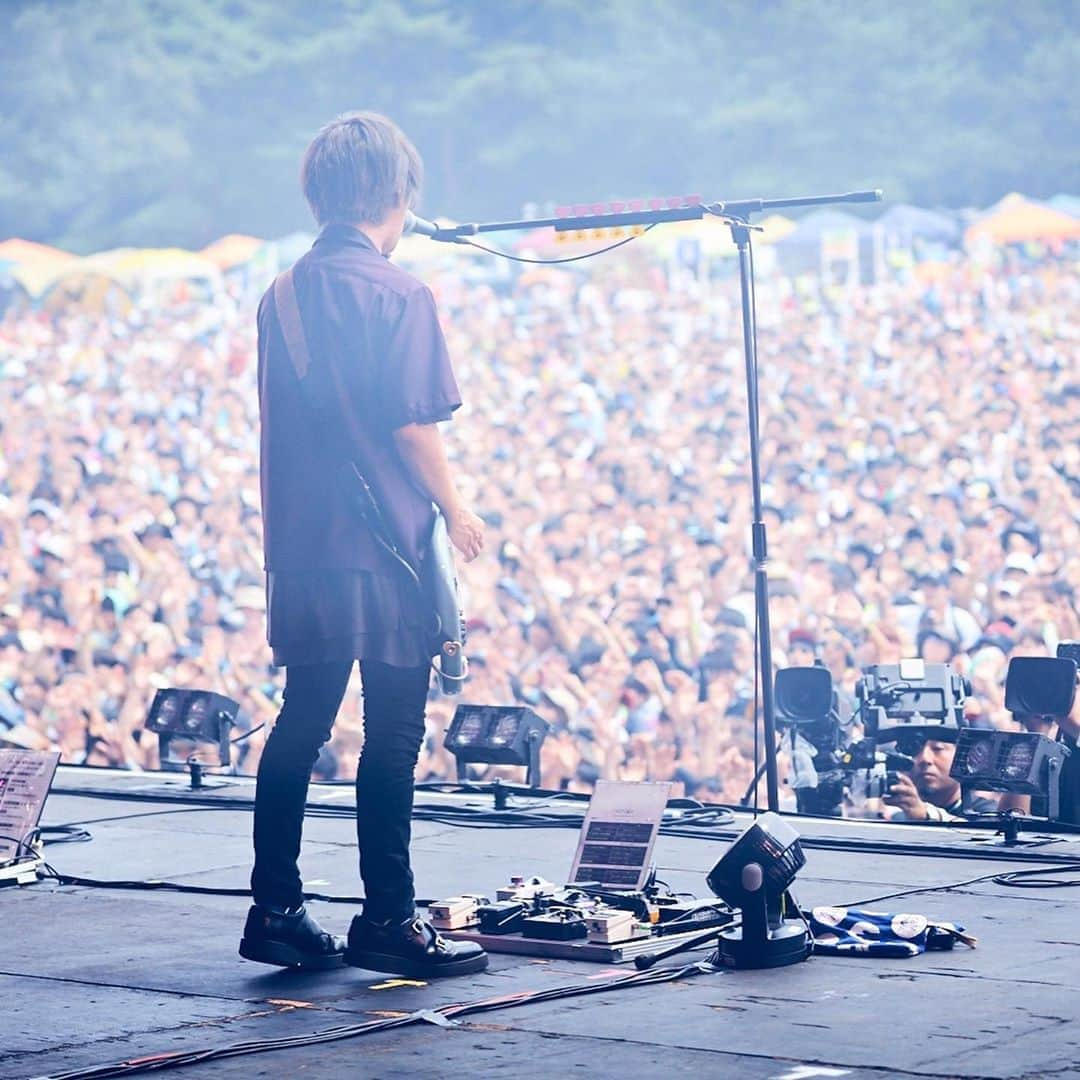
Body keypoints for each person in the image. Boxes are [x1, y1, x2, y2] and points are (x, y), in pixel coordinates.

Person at [239, 112, 487, 978]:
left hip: (302, 547)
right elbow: (413, 428)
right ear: (399, 195)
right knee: (391, 734)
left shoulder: (280, 295)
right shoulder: (401, 293)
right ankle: (388, 919)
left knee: (300, 726)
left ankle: (275, 909)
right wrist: (457, 510)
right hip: (383, 549)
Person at [881, 728, 998, 822]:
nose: (925, 758)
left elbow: (975, 836)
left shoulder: (986, 813)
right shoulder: (896, 816)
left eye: (938, 749)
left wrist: (925, 815)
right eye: (914, 750)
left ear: (961, 757)